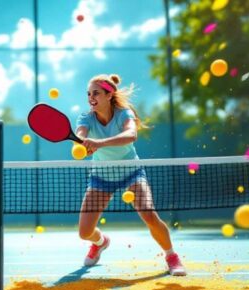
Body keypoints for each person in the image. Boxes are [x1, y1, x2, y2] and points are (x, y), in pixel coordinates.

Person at [75, 74, 186, 276]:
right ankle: (101, 242)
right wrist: (82, 141)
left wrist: (98, 143)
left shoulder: (124, 114)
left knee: (149, 215)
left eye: (96, 93)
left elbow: (131, 135)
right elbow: (80, 134)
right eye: (89, 93)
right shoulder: (86, 118)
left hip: (131, 172)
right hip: (101, 176)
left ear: (109, 95)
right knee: (84, 232)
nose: (91, 97)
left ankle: (171, 256)